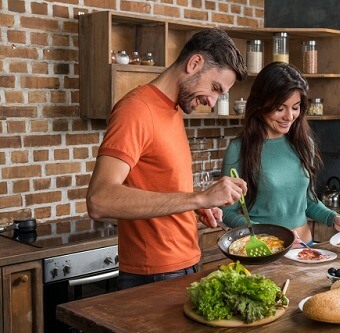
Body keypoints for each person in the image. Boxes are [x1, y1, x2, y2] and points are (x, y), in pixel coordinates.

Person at [86, 28, 248, 290]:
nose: (212, 101)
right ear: (194, 63)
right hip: (154, 273)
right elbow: (99, 200)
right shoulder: (136, 110)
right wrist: (200, 198)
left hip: (184, 262)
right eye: (215, 88)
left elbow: (156, 186)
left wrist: (195, 203)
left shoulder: (171, 109)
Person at [220, 62, 340, 246]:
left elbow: (307, 201)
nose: (289, 116)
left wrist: (334, 218)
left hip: (305, 248)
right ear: (260, 104)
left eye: (295, 107)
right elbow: (227, 212)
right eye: (280, 108)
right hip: (267, 252)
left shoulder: (304, 144)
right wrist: (268, 233)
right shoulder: (239, 149)